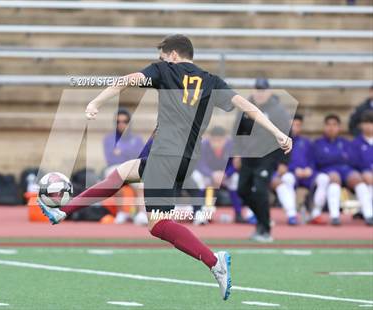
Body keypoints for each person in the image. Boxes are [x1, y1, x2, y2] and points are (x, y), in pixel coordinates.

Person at [38, 35, 292, 300]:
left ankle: (214, 262)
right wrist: (278, 134)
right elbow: (248, 107)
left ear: (172, 55)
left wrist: (95, 103)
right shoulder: (212, 81)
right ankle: (63, 211)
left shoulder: (164, 70)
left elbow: (125, 81)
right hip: (186, 159)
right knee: (124, 173)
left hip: (166, 154)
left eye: (162, 56)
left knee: (158, 224)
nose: (159, 60)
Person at [235, 78, 291, 242]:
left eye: (263, 90)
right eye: (257, 89)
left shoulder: (277, 110)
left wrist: (284, 161)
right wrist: (237, 153)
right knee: (242, 190)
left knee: (260, 190)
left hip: (267, 156)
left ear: (269, 91)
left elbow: (287, 134)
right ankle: (262, 221)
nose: (259, 93)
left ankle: (265, 229)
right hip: (248, 156)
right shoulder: (246, 108)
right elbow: (238, 132)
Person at [313, 114, 372, 226]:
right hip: (328, 170)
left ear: (339, 127)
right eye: (329, 125)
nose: (331, 128)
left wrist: (333, 157)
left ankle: (368, 214)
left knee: (357, 178)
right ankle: (335, 216)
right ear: (324, 127)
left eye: (334, 125)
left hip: (346, 170)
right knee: (334, 178)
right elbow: (320, 160)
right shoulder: (318, 143)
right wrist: (340, 157)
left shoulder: (345, 142)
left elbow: (353, 160)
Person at [271, 114, 330, 225]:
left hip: (308, 174)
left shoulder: (307, 142)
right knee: (287, 179)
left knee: (324, 178)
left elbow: (313, 159)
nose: (294, 127)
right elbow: (279, 163)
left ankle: (316, 213)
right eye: (292, 125)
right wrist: (293, 169)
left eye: (298, 125)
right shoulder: (280, 142)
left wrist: (310, 169)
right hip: (291, 173)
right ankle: (292, 214)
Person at [191, 126, 248, 224]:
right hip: (208, 175)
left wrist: (225, 174)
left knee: (235, 179)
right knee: (196, 177)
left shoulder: (232, 145)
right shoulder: (203, 145)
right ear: (209, 138)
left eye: (220, 140)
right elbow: (200, 164)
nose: (217, 143)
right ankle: (197, 213)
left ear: (226, 138)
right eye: (214, 140)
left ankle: (238, 214)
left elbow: (235, 165)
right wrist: (212, 174)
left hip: (224, 176)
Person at [103, 108, 147, 225]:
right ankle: (121, 213)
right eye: (118, 122)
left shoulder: (137, 139)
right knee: (114, 178)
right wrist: (129, 152)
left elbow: (139, 156)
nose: (121, 124)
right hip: (116, 167)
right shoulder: (108, 139)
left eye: (125, 121)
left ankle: (141, 213)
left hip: (132, 167)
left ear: (129, 122)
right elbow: (111, 159)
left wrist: (121, 151)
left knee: (142, 183)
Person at [350, 111, 373, 222]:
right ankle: (368, 214)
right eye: (366, 123)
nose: (369, 126)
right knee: (366, 186)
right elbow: (354, 162)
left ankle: (364, 211)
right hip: (363, 176)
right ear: (361, 125)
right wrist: (364, 172)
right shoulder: (356, 143)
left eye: (371, 122)